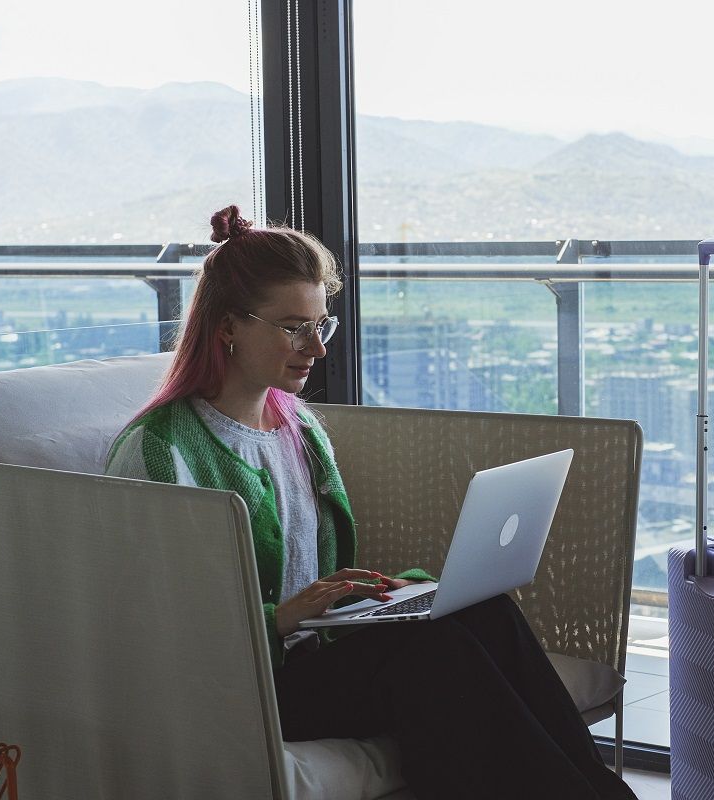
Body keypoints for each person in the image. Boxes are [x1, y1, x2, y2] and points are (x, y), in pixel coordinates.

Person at [105, 206, 637, 800]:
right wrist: (282, 617)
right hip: (246, 683)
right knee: (437, 656)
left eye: (320, 325)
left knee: (484, 613)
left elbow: (317, 578)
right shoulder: (161, 452)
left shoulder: (298, 428)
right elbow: (151, 626)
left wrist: (386, 597)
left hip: (315, 652)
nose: (316, 348)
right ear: (228, 326)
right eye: (292, 327)